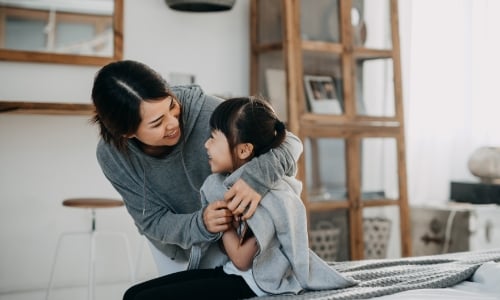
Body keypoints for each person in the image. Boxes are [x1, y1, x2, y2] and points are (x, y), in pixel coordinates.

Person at [122, 97, 357, 300]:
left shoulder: (258, 197)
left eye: (214, 138)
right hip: (233, 273)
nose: (206, 144)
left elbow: (242, 259)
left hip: (254, 283)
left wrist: (224, 223)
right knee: (132, 294)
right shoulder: (233, 183)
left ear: (243, 150)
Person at [91, 60, 303, 275]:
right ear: (127, 134)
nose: (173, 122)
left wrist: (255, 179)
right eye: (157, 123)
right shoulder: (112, 156)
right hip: (177, 248)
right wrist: (201, 223)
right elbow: (152, 221)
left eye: (172, 106)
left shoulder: (209, 111)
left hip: (238, 241)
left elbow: (290, 143)